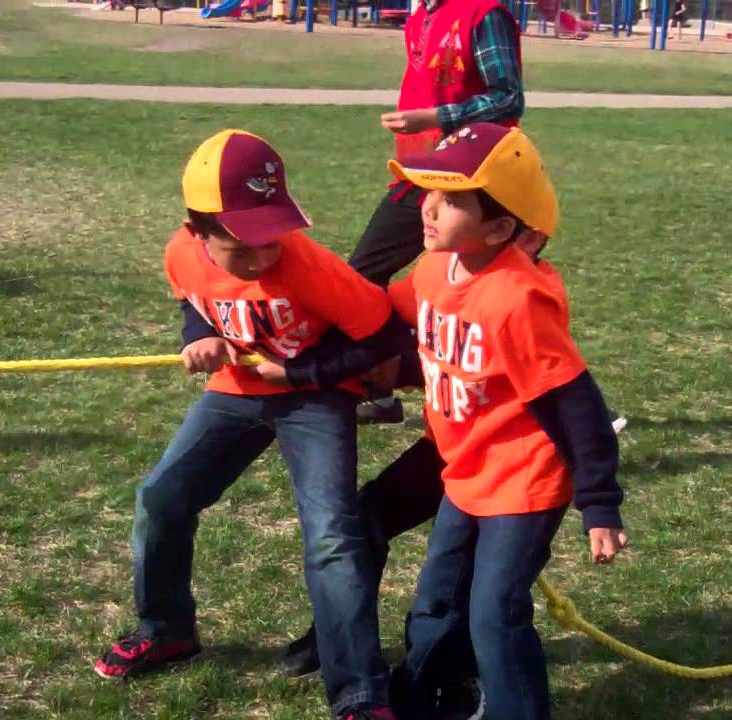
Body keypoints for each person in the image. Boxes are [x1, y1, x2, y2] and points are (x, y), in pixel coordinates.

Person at [94, 129, 412, 720]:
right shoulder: (179, 253)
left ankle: (360, 691)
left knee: (332, 538)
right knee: (161, 499)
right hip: (236, 392)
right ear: (198, 232)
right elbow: (191, 300)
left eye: (272, 238)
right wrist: (201, 336)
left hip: (317, 398)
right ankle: (167, 629)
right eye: (243, 247)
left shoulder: (313, 268)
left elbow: (384, 336)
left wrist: (300, 372)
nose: (265, 258)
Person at [385, 123, 627, 720]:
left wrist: (599, 502)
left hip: (523, 482)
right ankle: (419, 696)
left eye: (452, 201)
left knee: (495, 612)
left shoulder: (517, 299)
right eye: (429, 194)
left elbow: (578, 405)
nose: (429, 209)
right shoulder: (432, 270)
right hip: (464, 473)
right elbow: (391, 325)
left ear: (499, 229)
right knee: (437, 598)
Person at [352, 0, 527, 424]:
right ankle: (381, 392)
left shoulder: (483, 14)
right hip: (422, 177)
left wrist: (435, 117)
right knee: (360, 280)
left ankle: (566, 403)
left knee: (496, 299)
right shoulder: (419, 17)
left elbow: (508, 98)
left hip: (473, 181)